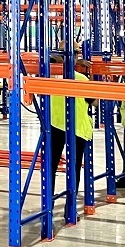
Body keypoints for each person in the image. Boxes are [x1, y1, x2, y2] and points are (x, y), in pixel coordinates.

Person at [47, 53, 93, 199]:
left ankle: (48, 202)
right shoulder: (81, 79)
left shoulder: (49, 78)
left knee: (50, 166)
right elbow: (95, 102)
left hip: (55, 126)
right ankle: (71, 205)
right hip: (77, 129)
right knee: (74, 168)